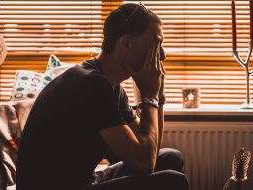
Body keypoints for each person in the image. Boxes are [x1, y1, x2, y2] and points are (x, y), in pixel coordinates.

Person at [16, 3, 189, 190]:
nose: (162, 55)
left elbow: (149, 151)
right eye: (156, 43)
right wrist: (150, 97)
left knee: (170, 157)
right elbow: (143, 163)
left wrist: (157, 96)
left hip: (83, 182)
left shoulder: (111, 87)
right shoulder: (91, 85)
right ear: (126, 43)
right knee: (173, 180)